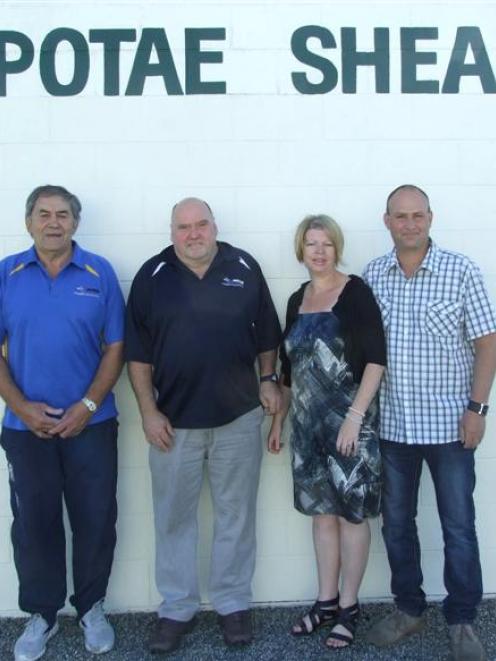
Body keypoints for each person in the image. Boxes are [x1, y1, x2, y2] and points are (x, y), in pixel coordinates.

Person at [125, 197, 281, 654]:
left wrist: (269, 379)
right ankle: (177, 608)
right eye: (183, 227)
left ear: (215, 226)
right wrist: (149, 412)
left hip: (238, 418)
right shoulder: (151, 277)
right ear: (172, 231)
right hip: (173, 425)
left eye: (201, 225)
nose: (193, 234)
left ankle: (233, 604)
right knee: (174, 519)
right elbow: (137, 354)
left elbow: (267, 335)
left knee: (236, 516)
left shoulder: (244, 266)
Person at [363, 185, 496, 661]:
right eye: (401, 216)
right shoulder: (373, 276)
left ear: (431, 218)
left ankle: (461, 621)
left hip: (451, 429)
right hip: (393, 429)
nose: (410, 224)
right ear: (387, 221)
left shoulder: (461, 271)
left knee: (458, 525)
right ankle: (409, 608)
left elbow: (487, 344)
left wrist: (477, 410)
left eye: (418, 215)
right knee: (397, 524)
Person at [0, 185, 125, 661]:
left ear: (76, 222)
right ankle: (42, 614)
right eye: (44, 214)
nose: (54, 222)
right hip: (24, 428)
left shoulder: (100, 272)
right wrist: (23, 406)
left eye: (64, 215)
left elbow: (116, 346)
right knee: (35, 522)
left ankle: (92, 608)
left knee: (95, 518)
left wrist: (88, 405)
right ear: (28, 221)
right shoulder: (7, 274)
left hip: (91, 425)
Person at [267, 214, 386, 649]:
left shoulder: (355, 293)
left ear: (337, 248)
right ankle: (326, 601)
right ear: (301, 250)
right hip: (307, 429)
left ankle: (350, 607)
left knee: (352, 516)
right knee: (322, 517)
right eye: (311, 244)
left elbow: (375, 359)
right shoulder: (297, 298)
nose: (319, 251)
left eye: (327, 244)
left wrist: (355, 417)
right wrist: (279, 421)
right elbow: (288, 368)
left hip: (349, 427)